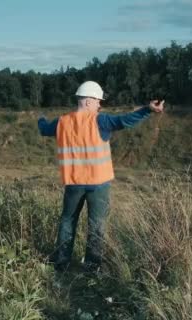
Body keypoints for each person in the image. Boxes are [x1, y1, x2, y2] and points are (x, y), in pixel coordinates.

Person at [38, 80, 164, 273]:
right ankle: (91, 267)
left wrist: (40, 118)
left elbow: (44, 129)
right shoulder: (100, 120)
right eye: (98, 101)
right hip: (98, 184)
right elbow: (125, 120)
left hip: (73, 183)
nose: (100, 105)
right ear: (88, 101)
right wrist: (147, 110)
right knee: (96, 225)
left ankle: (61, 264)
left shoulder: (61, 122)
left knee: (67, 221)